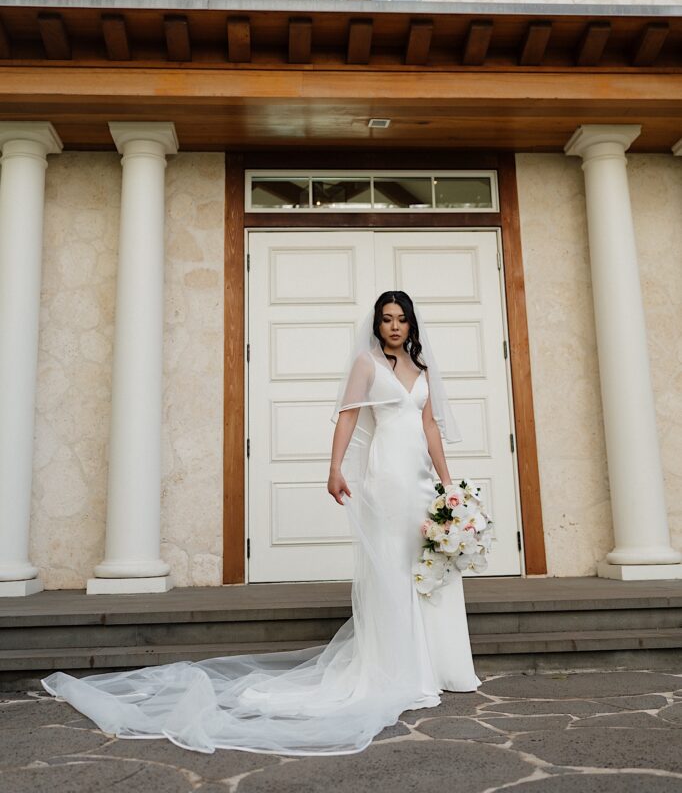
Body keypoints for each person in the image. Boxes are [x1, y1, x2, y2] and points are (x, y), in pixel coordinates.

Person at [40, 291, 480, 756]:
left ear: (412, 325)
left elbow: (430, 427)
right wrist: (334, 469)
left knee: (430, 566)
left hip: (419, 482)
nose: (394, 326)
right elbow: (348, 419)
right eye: (387, 319)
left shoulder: (423, 372)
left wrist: (449, 486)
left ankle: (441, 665)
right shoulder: (367, 365)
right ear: (377, 325)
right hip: (386, 480)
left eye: (402, 319)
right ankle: (400, 669)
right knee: (392, 568)